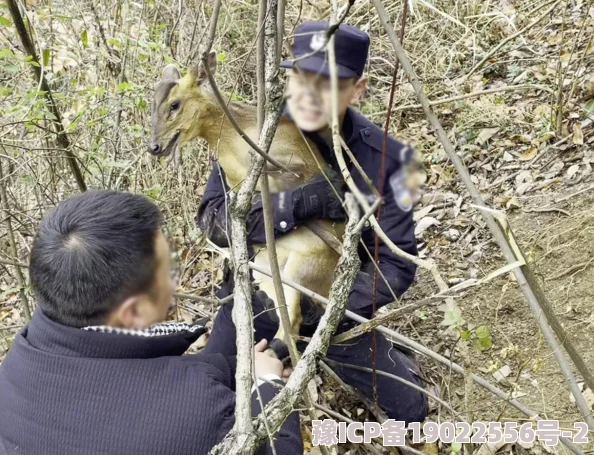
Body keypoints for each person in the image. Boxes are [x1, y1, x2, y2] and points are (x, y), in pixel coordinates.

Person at [197, 21, 428, 423]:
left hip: (331, 300)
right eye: (301, 78)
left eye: (329, 83)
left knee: (411, 409)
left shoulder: (393, 161)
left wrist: (330, 310)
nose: (308, 94)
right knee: (207, 395)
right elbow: (213, 221)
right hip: (256, 293)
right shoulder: (250, 132)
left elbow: (397, 264)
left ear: (358, 88)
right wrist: (296, 204)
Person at [0, 190, 302, 455]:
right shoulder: (196, 417)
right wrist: (267, 386)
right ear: (133, 312)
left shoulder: (19, 360)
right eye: (167, 269)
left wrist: (229, 367)